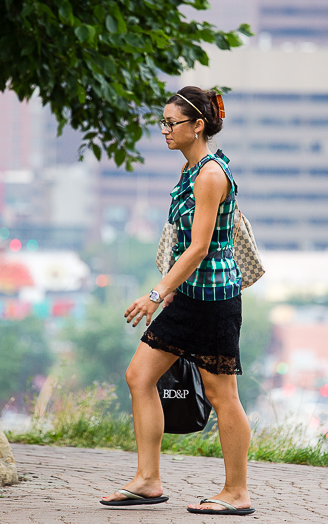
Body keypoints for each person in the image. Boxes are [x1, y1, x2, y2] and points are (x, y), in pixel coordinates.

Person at [99, 86, 254, 516]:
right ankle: (148, 481)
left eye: (172, 123)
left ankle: (236, 492)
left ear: (197, 126)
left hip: (213, 299)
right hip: (187, 296)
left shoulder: (209, 174)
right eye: (163, 122)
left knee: (222, 394)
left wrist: (156, 293)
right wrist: (169, 291)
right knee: (139, 376)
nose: (165, 130)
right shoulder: (191, 169)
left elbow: (199, 248)